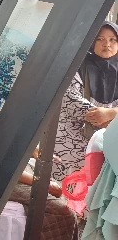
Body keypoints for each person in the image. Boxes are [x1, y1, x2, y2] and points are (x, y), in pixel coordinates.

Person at [53, 21, 118, 181]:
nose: (107, 44)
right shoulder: (78, 65)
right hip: (72, 142)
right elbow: (71, 100)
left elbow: (105, 118)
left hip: (107, 145)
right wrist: (105, 120)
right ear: (91, 42)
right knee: (69, 192)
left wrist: (111, 112)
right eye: (100, 39)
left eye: (112, 40)